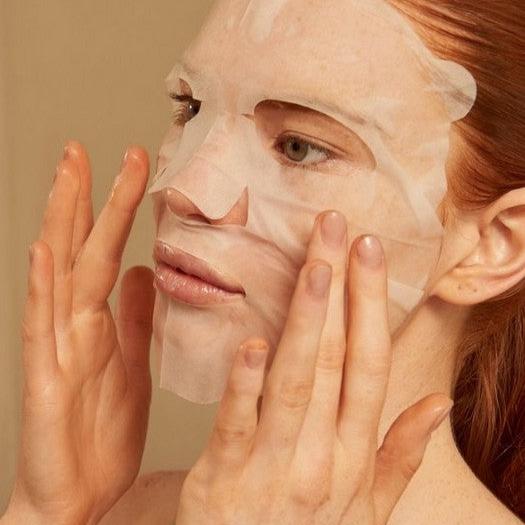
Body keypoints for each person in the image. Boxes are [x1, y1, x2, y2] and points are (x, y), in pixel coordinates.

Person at [2, 0, 525, 523]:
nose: (183, 188)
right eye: (192, 109)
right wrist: (47, 514)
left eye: (298, 147)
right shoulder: (122, 512)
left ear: (495, 247)